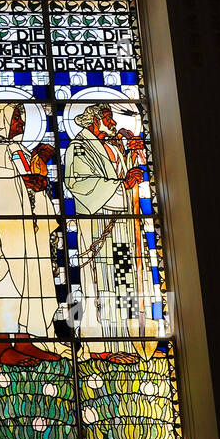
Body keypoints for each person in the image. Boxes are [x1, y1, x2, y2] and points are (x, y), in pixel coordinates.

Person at [0, 102, 63, 364]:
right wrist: (22, 184)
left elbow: (30, 182)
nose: (21, 123)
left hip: (28, 229)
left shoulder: (19, 150)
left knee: (30, 283)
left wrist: (38, 178)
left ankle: (24, 341)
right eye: (16, 118)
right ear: (1, 119)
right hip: (2, 230)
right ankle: (1, 347)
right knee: (4, 283)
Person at [61, 103, 147, 361]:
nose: (113, 123)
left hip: (120, 224)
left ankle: (125, 340)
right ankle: (101, 346)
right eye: (108, 118)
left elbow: (127, 175)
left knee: (123, 281)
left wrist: (133, 153)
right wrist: (122, 185)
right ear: (94, 120)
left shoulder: (113, 145)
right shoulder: (79, 147)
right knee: (102, 283)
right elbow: (77, 182)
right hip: (99, 221)